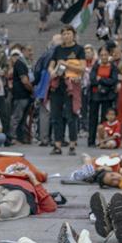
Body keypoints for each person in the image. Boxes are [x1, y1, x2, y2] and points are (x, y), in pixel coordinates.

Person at [47, 25, 86, 155]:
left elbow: (82, 68)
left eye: (69, 33)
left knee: (71, 115)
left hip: (72, 85)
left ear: (73, 35)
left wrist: (66, 64)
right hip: (58, 84)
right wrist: (52, 72)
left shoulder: (79, 49)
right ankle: (57, 145)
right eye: (64, 34)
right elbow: (51, 65)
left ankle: (72, 145)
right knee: (56, 115)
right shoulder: (58, 49)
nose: (66, 36)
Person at [87, 45, 120, 147]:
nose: (104, 57)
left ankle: (103, 139)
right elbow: (92, 79)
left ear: (109, 55)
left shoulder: (113, 67)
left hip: (107, 95)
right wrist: (103, 81)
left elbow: (113, 80)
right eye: (102, 55)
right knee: (93, 117)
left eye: (106, 55)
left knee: (105, 118)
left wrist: (100, 79)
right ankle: (91, 140)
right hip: (95, 94)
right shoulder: (96, 66)